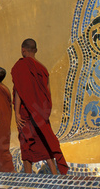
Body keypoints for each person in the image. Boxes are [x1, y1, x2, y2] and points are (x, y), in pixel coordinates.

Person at [12, 38, 69, 175]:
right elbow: (47, 93)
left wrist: (17, 113)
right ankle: (55, 174)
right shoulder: (43, 69)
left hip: (26, 112)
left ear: (22, 50)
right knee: (44, 141)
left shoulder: (21, 66)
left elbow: (20, 90)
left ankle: (28, 177)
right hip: (40, 113)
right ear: (36, 50)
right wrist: (45, 112)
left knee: (27, 144)